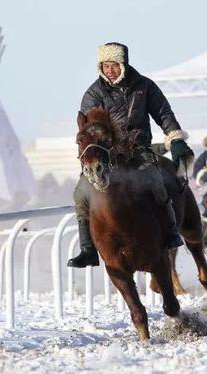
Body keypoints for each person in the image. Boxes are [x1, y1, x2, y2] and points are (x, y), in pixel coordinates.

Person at [68, 42, 194, 268]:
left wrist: (175, 139)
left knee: (157, 181)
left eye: (114, 65)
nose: (109, 70)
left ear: (123, 64)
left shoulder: (145, 86)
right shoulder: (93, 94)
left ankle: (170, 232)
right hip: (106, 156)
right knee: (80, 194)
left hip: (139, 151)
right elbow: (89, 130)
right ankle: (87, 249)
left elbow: (163, 114)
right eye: (105, 66)